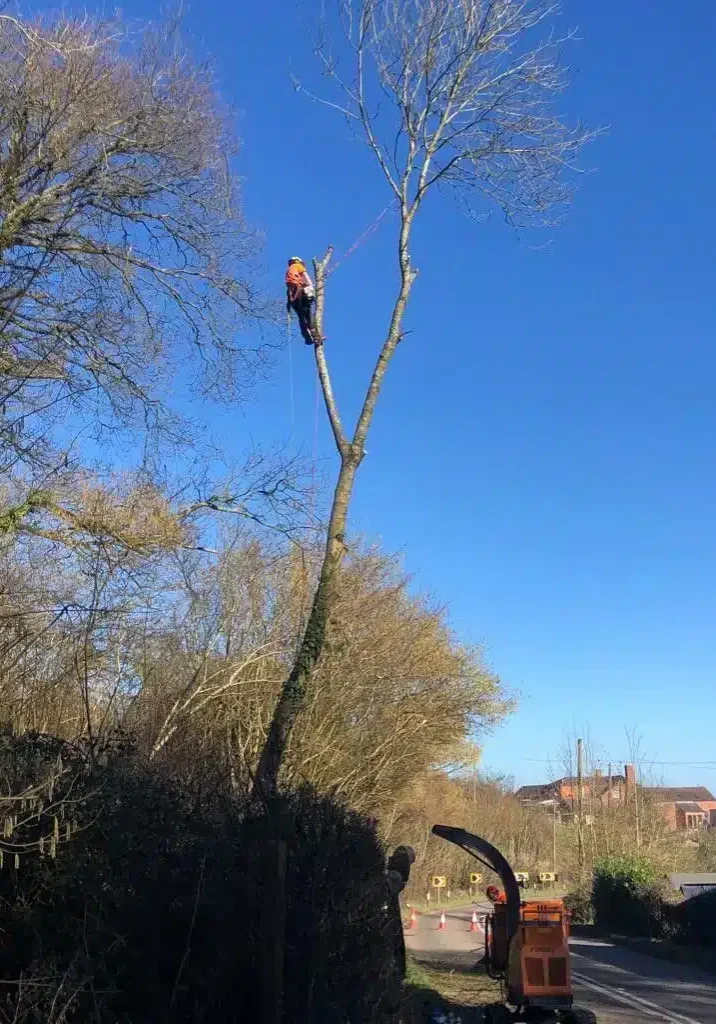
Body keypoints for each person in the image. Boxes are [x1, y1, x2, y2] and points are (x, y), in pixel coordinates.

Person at [285, 256, 318, 345]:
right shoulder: (298, 266)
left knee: (301, 317)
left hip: (292, 297)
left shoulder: (288, 272)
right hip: (299, 292)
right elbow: (306, 277)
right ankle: (316, 337)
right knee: (309, 315)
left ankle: (307, 338)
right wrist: (311, 287)